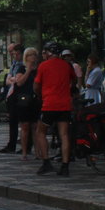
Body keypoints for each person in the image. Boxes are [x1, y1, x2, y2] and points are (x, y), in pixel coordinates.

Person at [34, 42, 77, 176]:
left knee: (40, 131)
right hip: (64, 104)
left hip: (49, 104)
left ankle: (46, 162)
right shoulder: (66, 65)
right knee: (64, 134)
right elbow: (74, 80)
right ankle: (65, 165)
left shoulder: (43, 66)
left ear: (48, 53)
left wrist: (41, 95)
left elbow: (36, 86)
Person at [11, 47, 41, 159]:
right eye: (30, 55)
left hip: (35, 100)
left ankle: (38, 151)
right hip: (23, 100)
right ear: (26, 57)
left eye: (34, 55)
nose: (32, 57)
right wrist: (28, 70)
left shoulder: (39, 69)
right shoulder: (21, 68)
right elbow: (19, 83)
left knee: (36, 126)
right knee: (25, 126)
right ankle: (24, 151)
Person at [0, 42, 24, 153]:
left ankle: (25, 145)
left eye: (15, 53)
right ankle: (12, 144)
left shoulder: (23, 65)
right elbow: (8, 81)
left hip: (21, 95)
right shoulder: (14, 63)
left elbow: (17, 81)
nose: (13, 56)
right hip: (12, 94)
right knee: (13, 121)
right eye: (12, 53)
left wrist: (13, 80)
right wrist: (13, 80)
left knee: (24, 122)